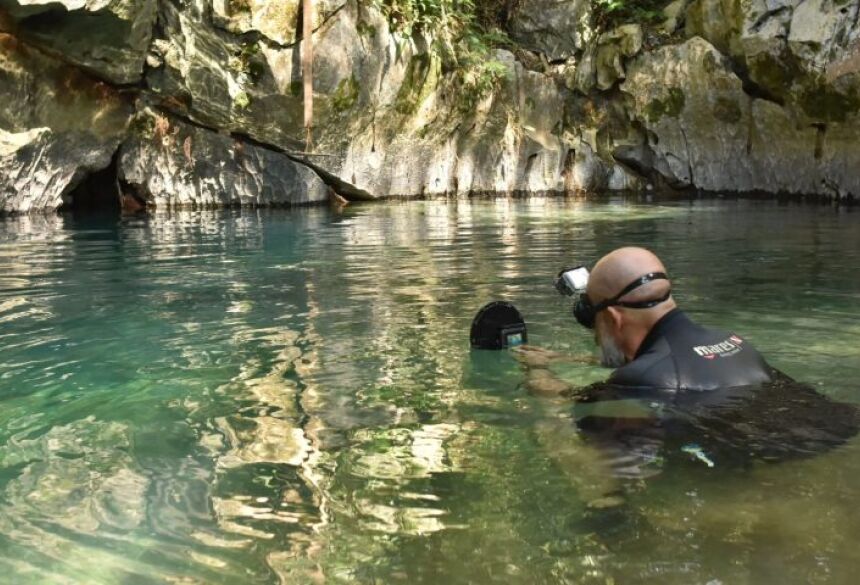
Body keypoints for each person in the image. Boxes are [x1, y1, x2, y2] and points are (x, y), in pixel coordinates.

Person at [518, 247, 774, 396]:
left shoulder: (641, 380)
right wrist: (565, 358)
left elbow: (568, 400)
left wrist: (537, 369)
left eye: (596, 324)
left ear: (612, 318)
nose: (596, 337)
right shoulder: (735, 343)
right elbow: (675, 359)